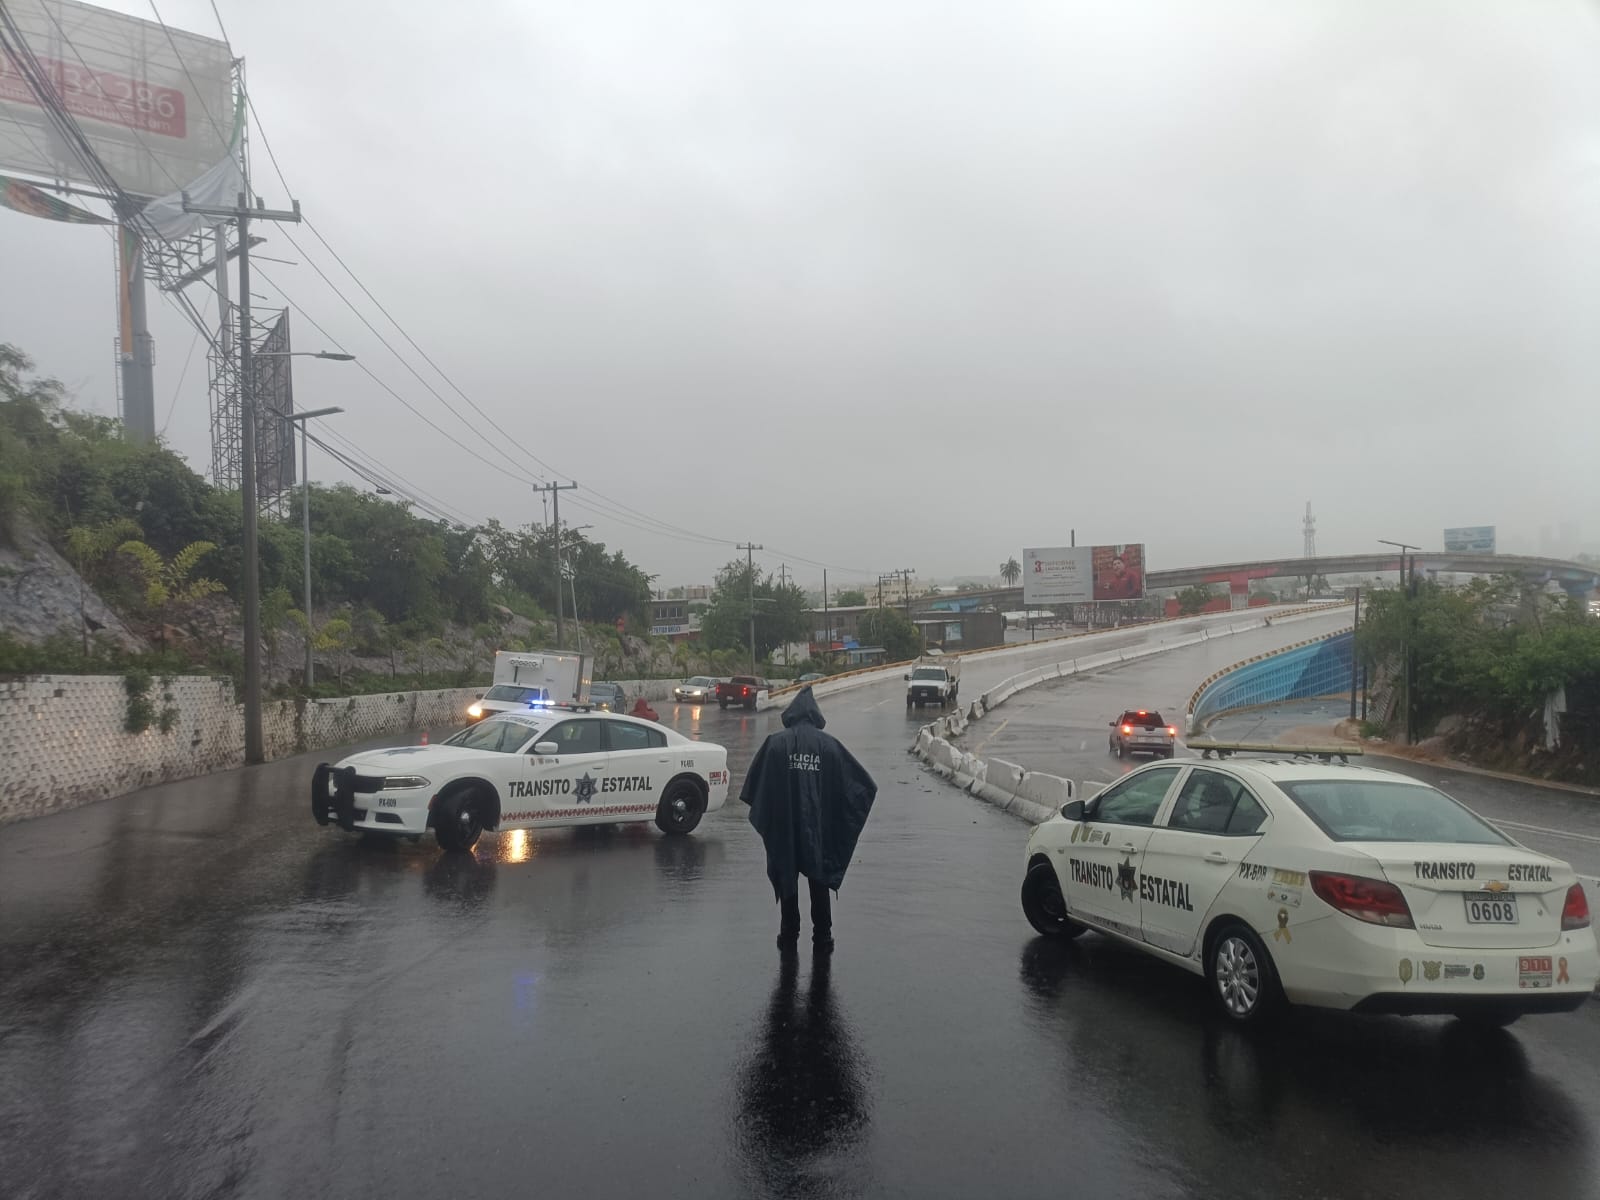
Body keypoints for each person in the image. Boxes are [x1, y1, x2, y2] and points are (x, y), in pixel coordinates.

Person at [741, 686, 877, 953]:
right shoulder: (829, 746)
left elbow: (755, 787)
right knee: (819, 879)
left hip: (784, 829)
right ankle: (823, 936)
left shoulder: (775, 744)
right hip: (818, 829)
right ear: (815, 715)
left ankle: (788, 933)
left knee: (787, 875)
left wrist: (773, 816)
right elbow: (862, 787)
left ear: (791, 714)